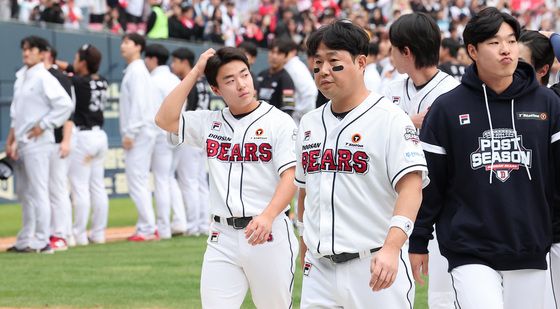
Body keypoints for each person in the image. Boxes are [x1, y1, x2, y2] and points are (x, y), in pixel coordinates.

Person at [409, 8, 560, 309]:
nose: (506, 49)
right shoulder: (447, 108)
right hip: (469, 249)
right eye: (494, 42)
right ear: (472, 51)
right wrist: (419, 240)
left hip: (529, 247)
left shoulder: (547, 104)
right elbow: (431, 182)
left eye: (512, 40)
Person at [296, 20, 428, 308]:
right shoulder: (308, 122)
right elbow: (305, 190)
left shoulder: (390, 118)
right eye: (317, 64)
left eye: (334, 61)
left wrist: (393, 248)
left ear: (361, 62)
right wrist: (304, 243)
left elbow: (411, 187)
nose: (324, 71)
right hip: (319, 268)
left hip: (374, 264)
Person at [155, 47, 298, 308]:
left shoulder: (280, 122)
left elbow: (290, 175)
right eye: (230, 80)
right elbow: (164, 119)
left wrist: (267, 216)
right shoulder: (209, 122)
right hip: (222, 236)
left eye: (244, 74)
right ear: (216, 90)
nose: (241, 84)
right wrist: (196, 71)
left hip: (267, 233)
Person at [384, 12, 460, 309]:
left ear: (406, 51)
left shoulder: (452, 91)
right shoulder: (391, 90)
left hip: (440, 206)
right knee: (391, 289)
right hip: (395, 203)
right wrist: (410, 121)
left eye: (393, 47)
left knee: (443, 296)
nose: (389, 54)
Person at [5, 36, 73, 254]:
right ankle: (26, 238)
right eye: (24, 49)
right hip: (23, 141)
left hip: (39, 142)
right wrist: (11, 140)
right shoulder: (21, 77)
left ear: (43, 53)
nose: (26, 53)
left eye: (31, 49)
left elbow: (65, 105)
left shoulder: (44, 77)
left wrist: (44, 125)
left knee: (39, 190)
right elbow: (17, 114)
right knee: (25, 192)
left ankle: (43, 241)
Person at [61, 44, 111, 246]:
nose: (74, 61)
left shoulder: (78, 82)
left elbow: (70, 75)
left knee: (79, 187)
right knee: (97, 187)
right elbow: (75, 71)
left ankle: (79, 234)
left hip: (84, 137)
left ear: (82, 62)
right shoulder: (103, 81)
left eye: (76, 58)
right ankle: (98, 233)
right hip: (100, 136)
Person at [119, 33, 159, 242]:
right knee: (139, 180)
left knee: (137, 180)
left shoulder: (137, 70)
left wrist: (130, 132)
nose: (122, 46)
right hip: (143, 130)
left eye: (127, 42)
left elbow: (139, 105)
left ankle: (147, 228)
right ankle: (147, 225)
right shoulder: (136, 70)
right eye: (122, 42)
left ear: (138, 47)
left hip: (140, 131)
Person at [169, 47, 211, 236]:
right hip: (206, 134)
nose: (172, 65)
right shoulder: (203, 83)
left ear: (185, 62)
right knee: (200, 181)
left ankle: (193, 225)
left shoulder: (189, 83)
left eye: (175, 61)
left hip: (192, 134)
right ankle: (203, 224)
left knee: (189, 181)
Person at [144, 43, 183, 239]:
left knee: (161, 180)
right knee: (170, 178)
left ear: (152, 59)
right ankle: (180, 221)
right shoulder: (174, 78)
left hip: (160, 135)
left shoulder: (153, 80)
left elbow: (152, 113)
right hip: (179, 132)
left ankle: (164, 227)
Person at [43, 45, 74, 251]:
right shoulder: (41, 76)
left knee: (57, 190)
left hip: (58, 139)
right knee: (52, 190)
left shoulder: (57, 77)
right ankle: (63, 233)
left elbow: (68, 112)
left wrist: (66, 140)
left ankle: (61, 235)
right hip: (47, 141)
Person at [281, 38, 318, 123]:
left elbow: (310, 92)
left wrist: (297, 115)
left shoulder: (295, 67)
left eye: (282, 52)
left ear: (293, 52)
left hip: (298, 121)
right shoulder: (289, 66)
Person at [255, 39, 296, 115]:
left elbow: (288, 110)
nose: (274, 56)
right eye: (272, 52)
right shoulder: (261, 75)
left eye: (279, 53)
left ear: (285, 57)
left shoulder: (286, 80)